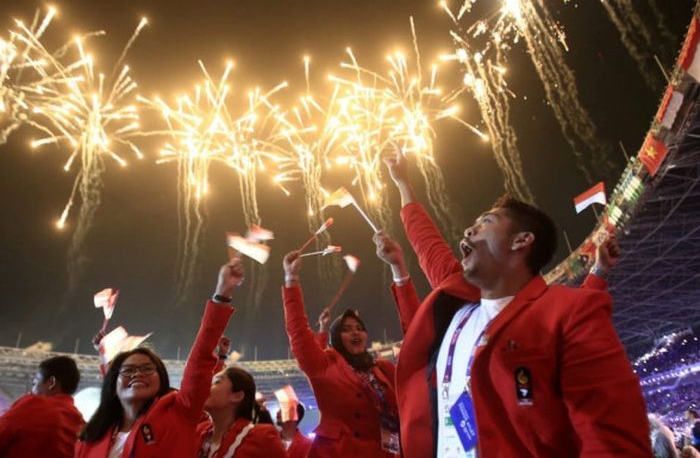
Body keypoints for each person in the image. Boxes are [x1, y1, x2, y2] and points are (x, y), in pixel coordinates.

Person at [379, 147, 652, 458]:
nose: (469, 230)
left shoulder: (568, 313)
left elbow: (613, 443)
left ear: (521, 240)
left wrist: (598, 274)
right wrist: (403, 184)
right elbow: (425, 242)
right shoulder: (458, 299)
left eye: (486, 222)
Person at [75, 257, 242, 458]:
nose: (137, 374)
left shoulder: (179, 414)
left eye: (147, 369)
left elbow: (199, 364)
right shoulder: (92, 435)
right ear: (113, 384)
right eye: (129, 371)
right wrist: (104, 353)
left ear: (161, 379)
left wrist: (222, 294)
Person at [282, 250, 400, 458]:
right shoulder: (325, 365)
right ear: (336, 339)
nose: (355, 332)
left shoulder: (383, 369)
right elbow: (299, 333)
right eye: (346, 329)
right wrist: (291, 280)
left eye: (359, 328)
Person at [0, 355, 83, 458]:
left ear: (51, 382)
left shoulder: (33, 404)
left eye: (35, 383)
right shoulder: (78, 421)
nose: (31, 391)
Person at [196, 367, 287, 458]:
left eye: (216, 382)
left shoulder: (262, 437)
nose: (207, 386)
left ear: (237, 396)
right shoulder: (199, 432)